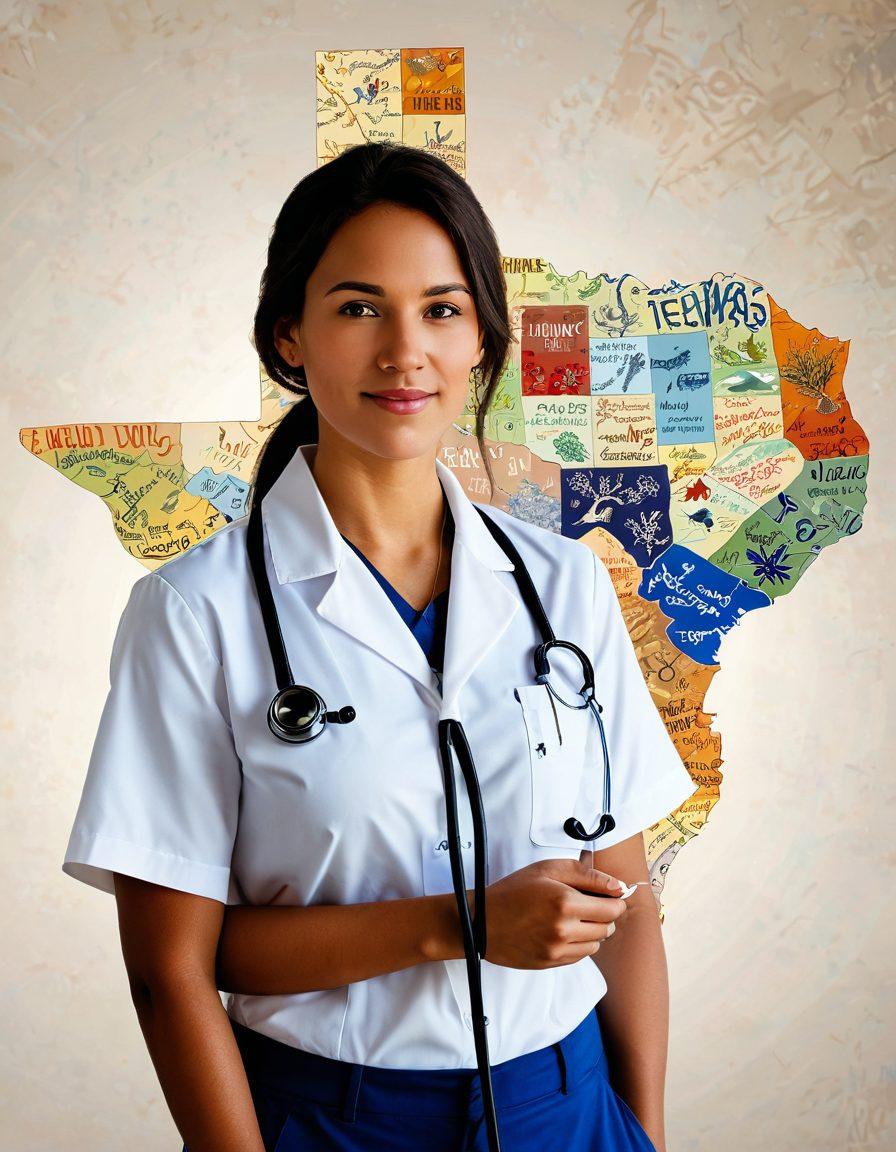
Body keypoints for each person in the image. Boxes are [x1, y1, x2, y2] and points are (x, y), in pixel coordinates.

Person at [62, 142, 698, 1152]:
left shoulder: (563, 585)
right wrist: (461, 921)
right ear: (289, 335)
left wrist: (643, 1135)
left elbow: (623, 905)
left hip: (569, 1110)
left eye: (441, 309)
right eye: (359, 307)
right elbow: (175, 971)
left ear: (481, 336)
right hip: (329, 1121)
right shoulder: (196, 614)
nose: (405, 352)